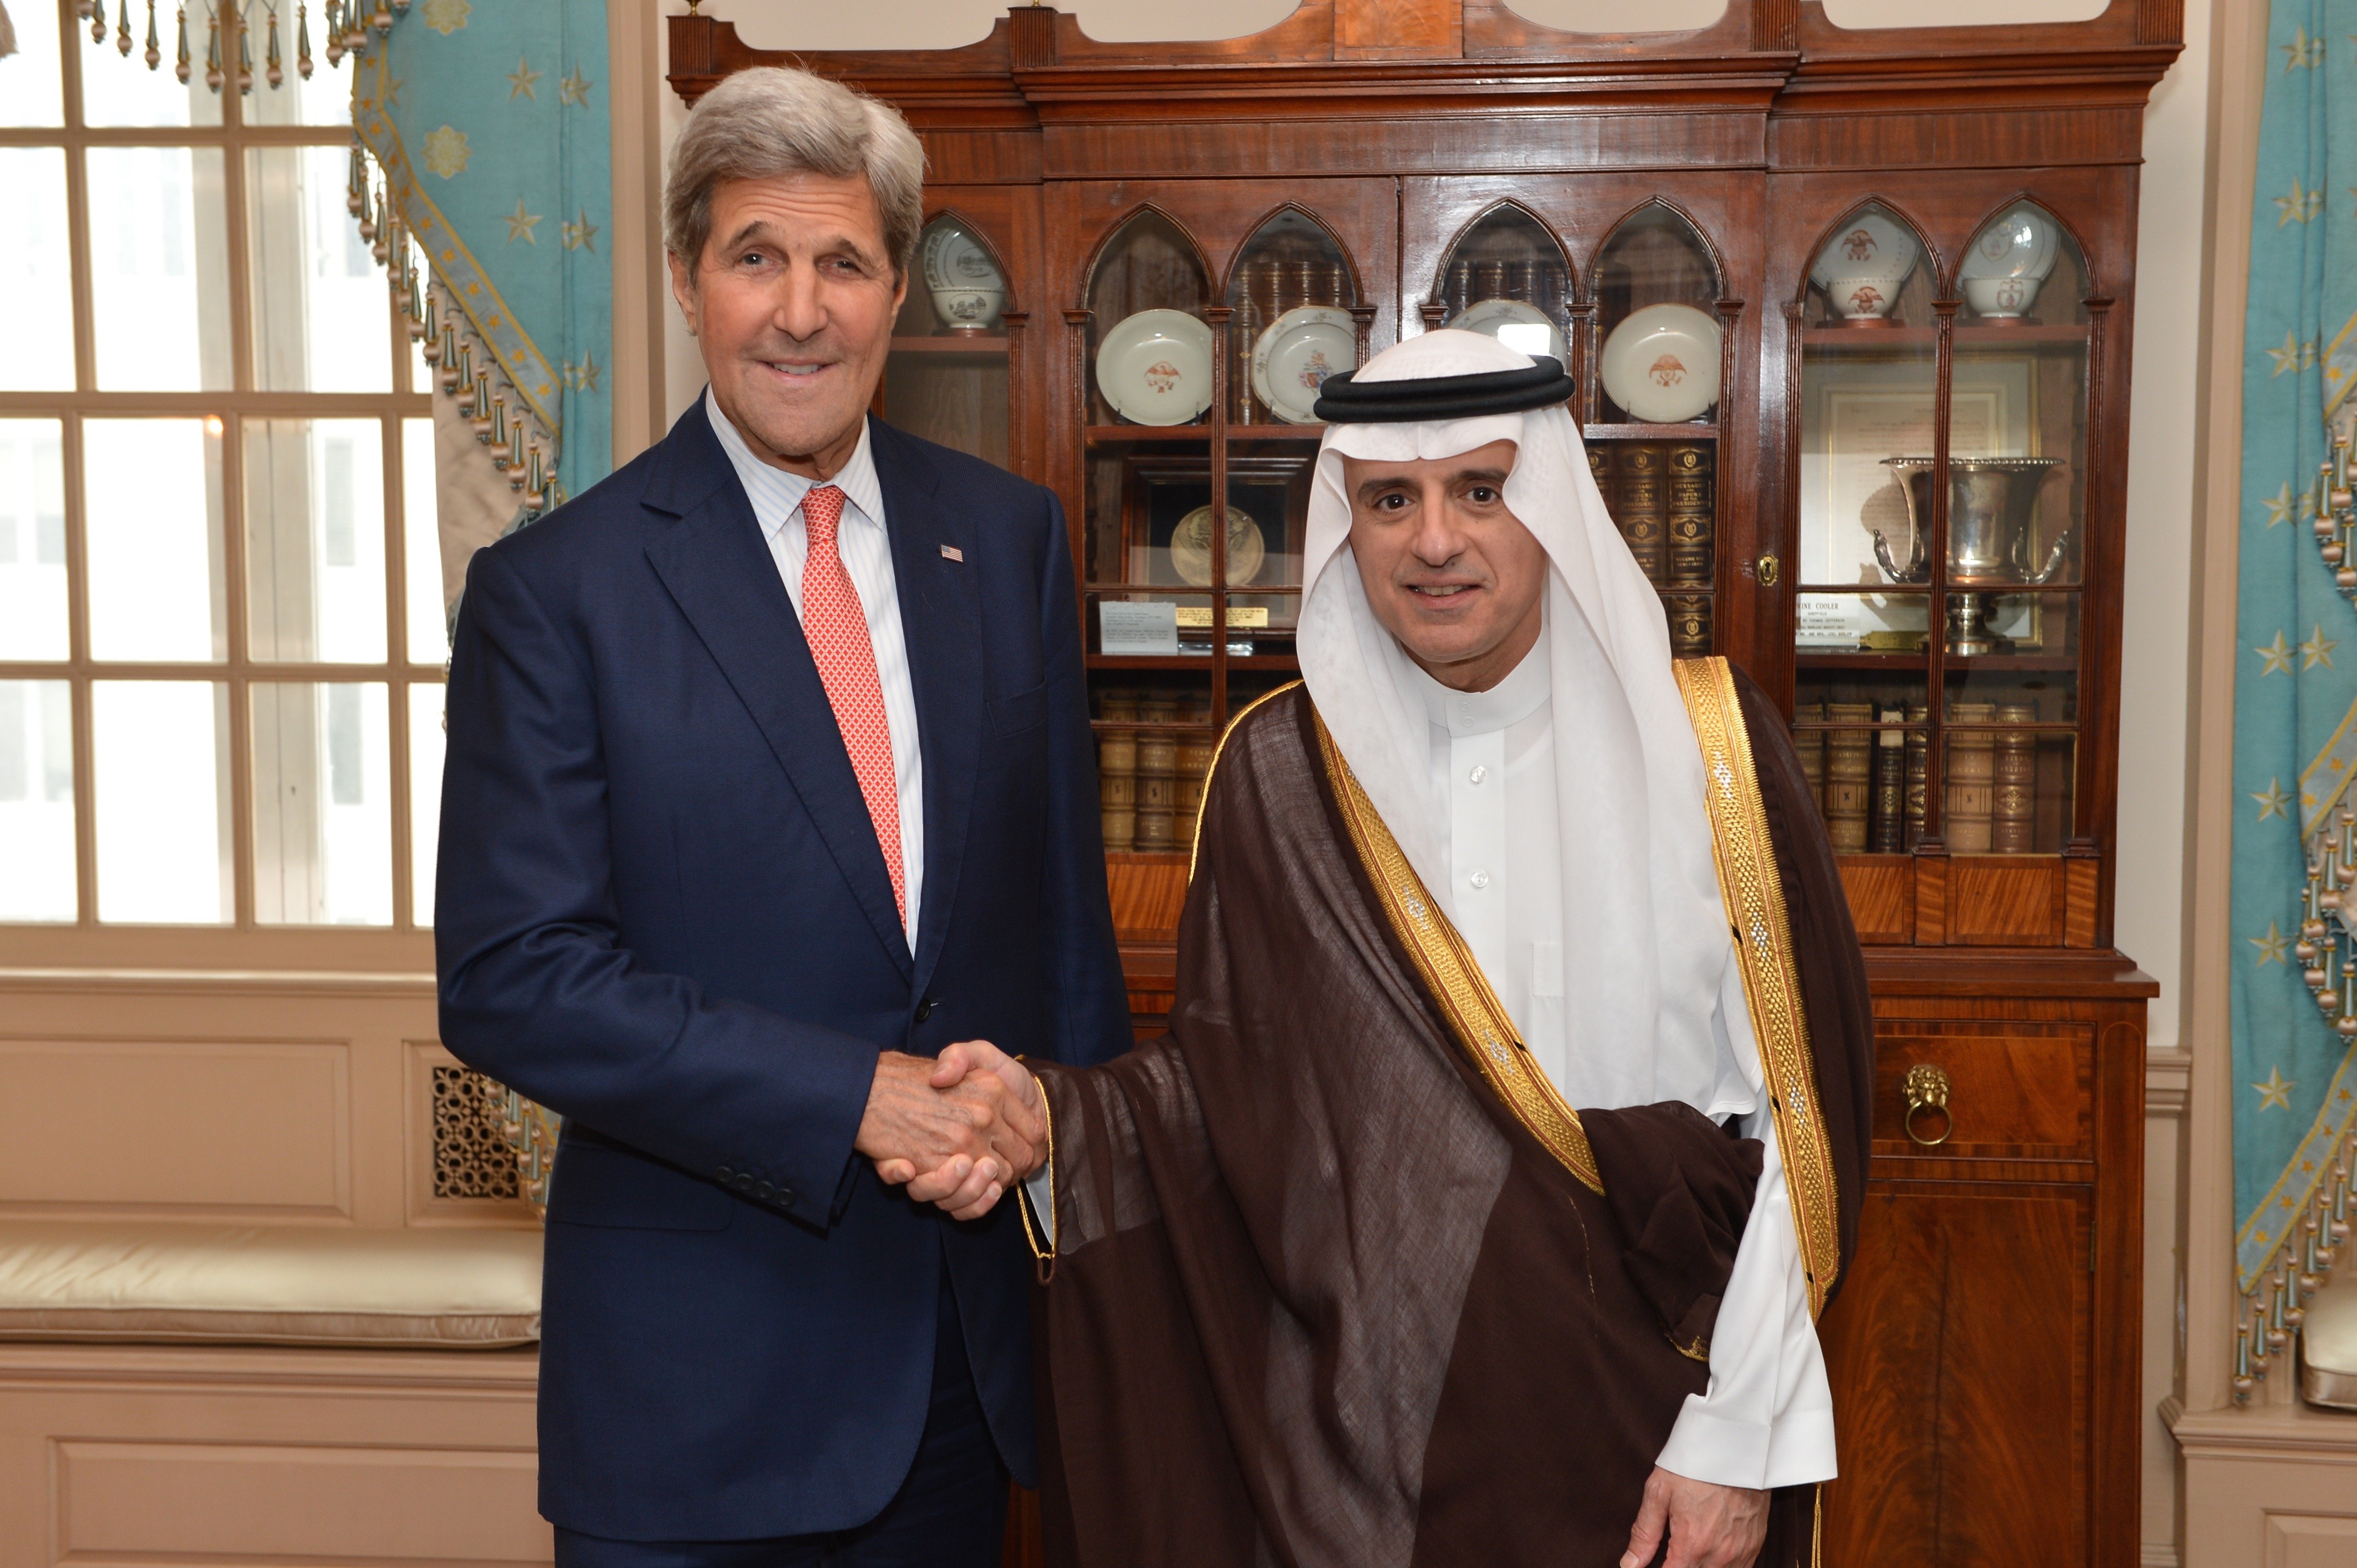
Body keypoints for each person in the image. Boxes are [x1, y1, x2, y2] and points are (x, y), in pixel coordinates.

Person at [918, 330, 1874, 1568]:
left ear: (1547, 503)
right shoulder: (1279, 775)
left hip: (1656, 1430)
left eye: (1481, 491)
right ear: (1345, 522)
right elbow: (1230, 1103)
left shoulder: (1710, 747)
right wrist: (1049, 1124)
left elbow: (1796, 1131)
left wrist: (1733, 1439)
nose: (1434, 541)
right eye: (1389, 500)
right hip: (1375, 1448)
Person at [433, 65, 1130, 1567]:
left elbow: (1066, 932)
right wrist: (852, 1099)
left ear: (898, 293)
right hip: (695, 1406)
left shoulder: (1005, 538)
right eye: (756, 257)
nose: (799, 311)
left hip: (963, 1368)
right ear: (690, 281)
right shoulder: (557, 594)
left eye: (842, 263)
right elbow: (514, 979)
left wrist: (1054, 1131)